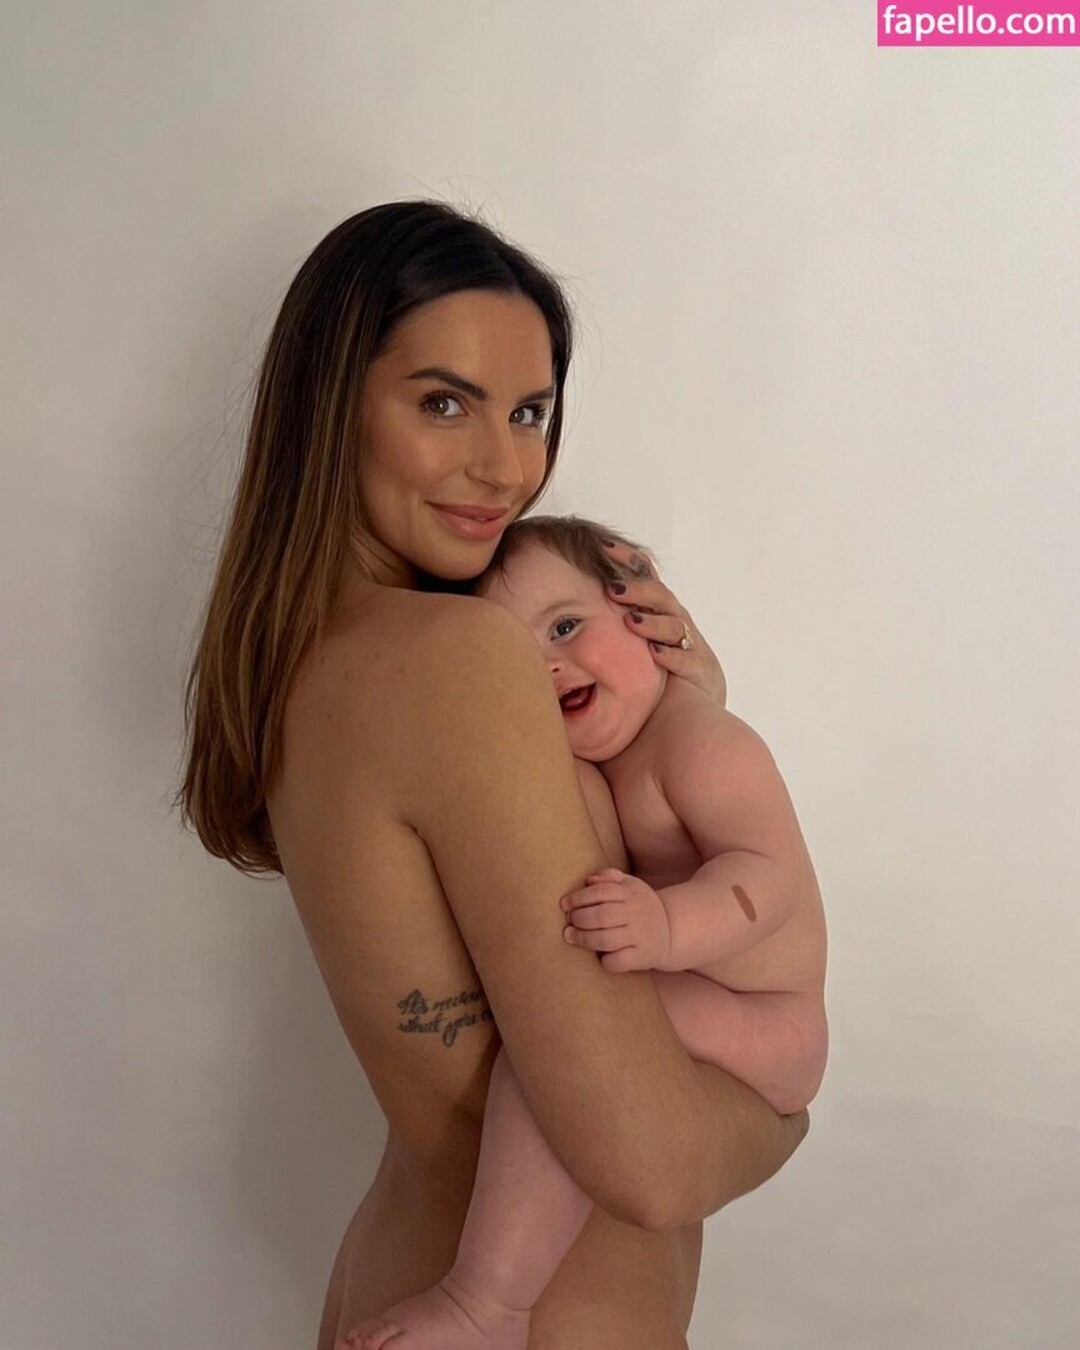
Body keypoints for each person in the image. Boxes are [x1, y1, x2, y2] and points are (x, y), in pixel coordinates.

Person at [177, 201, 810, 1350]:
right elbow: (650, 1162)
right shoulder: (459, 662)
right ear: (331, 404)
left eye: (529, 412)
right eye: (443, 403)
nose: (505, 465)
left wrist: (680, 720)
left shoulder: (333, 656)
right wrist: (788, 1115)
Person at [341, 515, 827, 1349]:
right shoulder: (620, 749)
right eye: (519, 658)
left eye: (566, 627)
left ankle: (486, 1306)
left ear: (646, 612)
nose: (550, 664)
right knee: (559, 1060)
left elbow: (771, 879)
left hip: (768, 1021)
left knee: (555, 1063)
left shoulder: (704, 742)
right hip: (712, 1002)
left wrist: (667, 925)